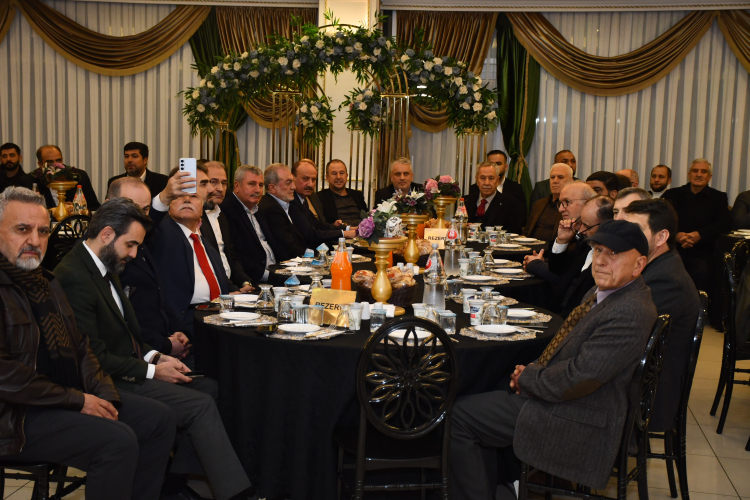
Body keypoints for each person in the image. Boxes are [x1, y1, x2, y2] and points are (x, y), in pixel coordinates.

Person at [54, 197, 253, 500]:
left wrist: (157, 356)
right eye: (130, 245)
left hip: (124, 366)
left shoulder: (106, 264)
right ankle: (236, 493)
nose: (135, 254)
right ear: (106, 234)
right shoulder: (74, 276)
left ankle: (174, 482)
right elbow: (92, 357)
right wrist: (151, 370)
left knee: (211, 387)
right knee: (198, 405)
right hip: (102, 380)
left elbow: (126, 334)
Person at [450, 219, 656, 499]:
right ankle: (494, 488)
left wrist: (530, 378)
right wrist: (532, 372)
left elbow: (581, 378)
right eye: (598, 250)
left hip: (583, 418)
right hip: (574, 400)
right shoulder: (609, 292)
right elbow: (572, 355)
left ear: (639, 264)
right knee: (485, 389)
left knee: (460, 416)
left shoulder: (628, 311)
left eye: (614, 253)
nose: (601, 260)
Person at [0, 187, 175, 500]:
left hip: (58, 398)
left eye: (43, 231)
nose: (35, 241)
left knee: (158, 420)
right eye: (22, 229)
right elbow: (6, 376)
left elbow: (81, 347)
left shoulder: (46, 281)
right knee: (116, 441)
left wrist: (105, 395)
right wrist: (77, 400)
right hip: (14, 416)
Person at [620, 199, 700, 432]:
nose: (626, 236)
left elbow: (627, 336)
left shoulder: (666, 279)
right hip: (635, 374)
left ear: (661, 236)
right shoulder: (656, 265)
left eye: (635, 229)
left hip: (645, 394)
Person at [149, 165, 237, 336]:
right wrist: (163, 197)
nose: (187, 200)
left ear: (202, 207)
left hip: (219, 318)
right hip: (184, 325)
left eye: (194, 196)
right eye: (179, 196)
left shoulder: (204, 241)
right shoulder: (161, 232)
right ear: (169, 204)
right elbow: (146, 226)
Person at [111, 177, 191, 361]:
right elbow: (120, 321)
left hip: (163, 342)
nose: (139, 217)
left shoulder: (140, 242)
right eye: (131, 208)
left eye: (145, 210)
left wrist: (180, 332)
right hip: (138, 355)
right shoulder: (107, 252)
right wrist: (164, 346)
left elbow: (158, 299)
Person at [526, 194, 611, 318]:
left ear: (606, 225)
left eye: (587, 226)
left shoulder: (607, 260)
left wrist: (535, 264)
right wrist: (562, 241)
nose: (581, 230)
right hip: (556, 312)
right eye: (581, 223)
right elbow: (559, 271)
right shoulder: (587, 244)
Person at [662, 158, 731, 293]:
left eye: (703, 172)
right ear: (689, 174)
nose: (699, 174)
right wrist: (676, 235)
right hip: (672, 248)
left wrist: (700, 235)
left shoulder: (719, 197)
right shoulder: (672, 194)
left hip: (703, 251)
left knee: (703, 271)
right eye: (695, 171)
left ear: (709, 177)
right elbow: (660, 219)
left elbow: (725, 223)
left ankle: (698, 305)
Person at [220, 165, 282, 285]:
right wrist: (271, 276)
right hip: (253, 281)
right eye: (252, 184)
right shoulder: (227, 211)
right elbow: (238, 255)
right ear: (237, 186)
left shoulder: (258, 209)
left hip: (273, 272)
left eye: (260, 185)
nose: (258, 190)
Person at [201, 161, 253, 292]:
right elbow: (209, 264)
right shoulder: (195, 219)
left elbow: (230, 255)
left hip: (230, 286)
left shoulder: (221, 215)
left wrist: (244, 282)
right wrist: (232, 290)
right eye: (213, 182)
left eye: (224, 183)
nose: (220, 188)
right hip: (216, 291)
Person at [290, 159, 357, 249]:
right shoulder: (291, 201)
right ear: (292, 178)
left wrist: (349, 229)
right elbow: (311, 234)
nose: (310, 184)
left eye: (313, 180)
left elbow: (320, 226)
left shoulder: (302, 198)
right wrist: (345, 233)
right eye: (305, 179)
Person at [259, 163, 308, 260]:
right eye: (288, 182)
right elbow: (287, 248)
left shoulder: (282, 204)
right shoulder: (271, 209)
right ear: (272, 188)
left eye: (293, 182)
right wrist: (311, 258)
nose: (293, 187)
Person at [463, 161, 526, 234]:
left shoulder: (510, 204)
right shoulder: (466, 201)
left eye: (491, 178)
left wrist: (479, 231)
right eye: (483, 178)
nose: (487, 183)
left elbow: (514, 233)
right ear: (477, 180)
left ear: (497, 180)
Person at [34, 144, 100, 211]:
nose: (56, 165)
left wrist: (77, 209)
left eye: (58, 160)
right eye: (50, 162)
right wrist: (53, 210)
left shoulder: (79, 176)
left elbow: (95, 207)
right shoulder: (31, 180)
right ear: (40, 164)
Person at [523, 164, 574, 247]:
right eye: (552, 177)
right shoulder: (539, 204)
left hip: (556, 251)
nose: (555, 181)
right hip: (531, 249)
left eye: (560, 177)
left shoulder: (572, 206)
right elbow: (526, 231)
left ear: (571, 181)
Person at [313, 159, 368, 227]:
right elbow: (320, 225)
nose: (338, 177)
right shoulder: (319, 198)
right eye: (334, 173)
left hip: (363, 232)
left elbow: (368, 218)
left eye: (342, 173)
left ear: (346, 176)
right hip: (339, 233)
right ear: (327, 177)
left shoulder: (357, 195)